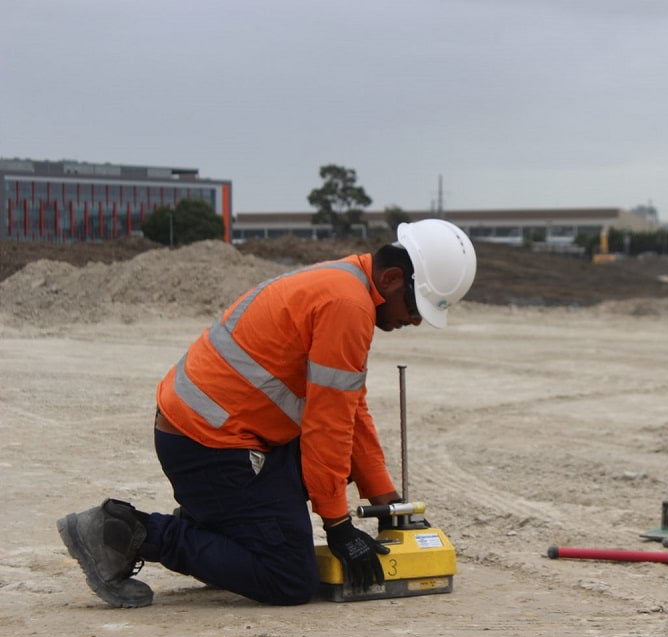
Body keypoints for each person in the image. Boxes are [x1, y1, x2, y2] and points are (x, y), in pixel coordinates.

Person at [57, 218, 477, 608]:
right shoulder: (346, 305)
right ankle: (128, 532)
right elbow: (327, 426)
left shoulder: (344, 282)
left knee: (332, 469)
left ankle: (226, 525)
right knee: (289, 578)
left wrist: (384, 498)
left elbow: (348, 409)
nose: (416, 321)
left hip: (211, 436)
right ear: (391, 279)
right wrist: (337, 525)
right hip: (209, 447)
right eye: (417, 307)